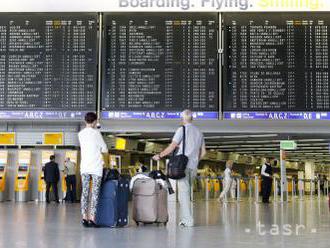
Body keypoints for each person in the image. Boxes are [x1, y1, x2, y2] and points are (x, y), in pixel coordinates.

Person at [153, 109, 206, 227]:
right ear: (192, 119)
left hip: (182, 166)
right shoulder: (199, 132)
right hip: (193, 166)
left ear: (182, 119)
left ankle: (188, 221)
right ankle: (185, 218)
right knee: (188, 193)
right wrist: (195, 160)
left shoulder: (181, 129)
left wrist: (159, 155)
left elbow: (172, 147)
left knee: (183, 194)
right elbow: (203, 153)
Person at [78, 112, 108, 228]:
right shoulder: (97, 133)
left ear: (85, 121)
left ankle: (84, 217)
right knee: (95, 193)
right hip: (96, 167)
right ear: (95, 121)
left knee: (84, 192)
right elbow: (104, 149)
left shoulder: (80, 134)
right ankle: (92, 218)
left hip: (84, 167)